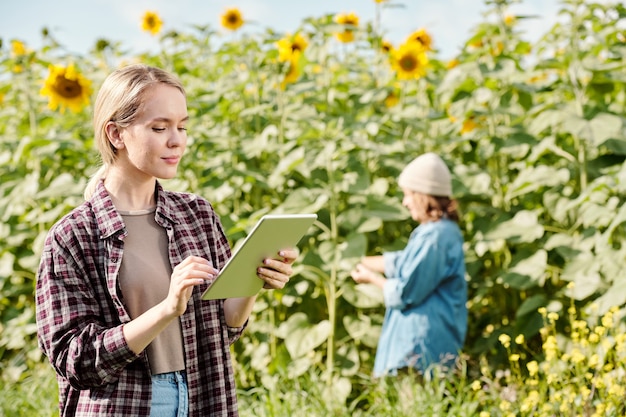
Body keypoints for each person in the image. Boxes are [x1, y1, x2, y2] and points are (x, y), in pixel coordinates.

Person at [35, 64, 298, 417]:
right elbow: (75, 361)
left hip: (203, 392)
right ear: (116, 134)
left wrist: (254, 278)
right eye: (160, 128)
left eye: (182, 126)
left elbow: (223, 328)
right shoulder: (72, 237)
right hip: (127, 405)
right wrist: (166, 309)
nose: (177, 140)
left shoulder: (198, 215)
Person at [351, 152, 467, 377]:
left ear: (423, 196)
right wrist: (358, 260)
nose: (405, 202)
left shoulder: (435, 238)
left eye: (408, 194)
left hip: (421, 347)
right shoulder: (437, 232)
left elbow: (407, 291)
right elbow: (403, 262)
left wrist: (371, 279)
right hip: (424, 346)